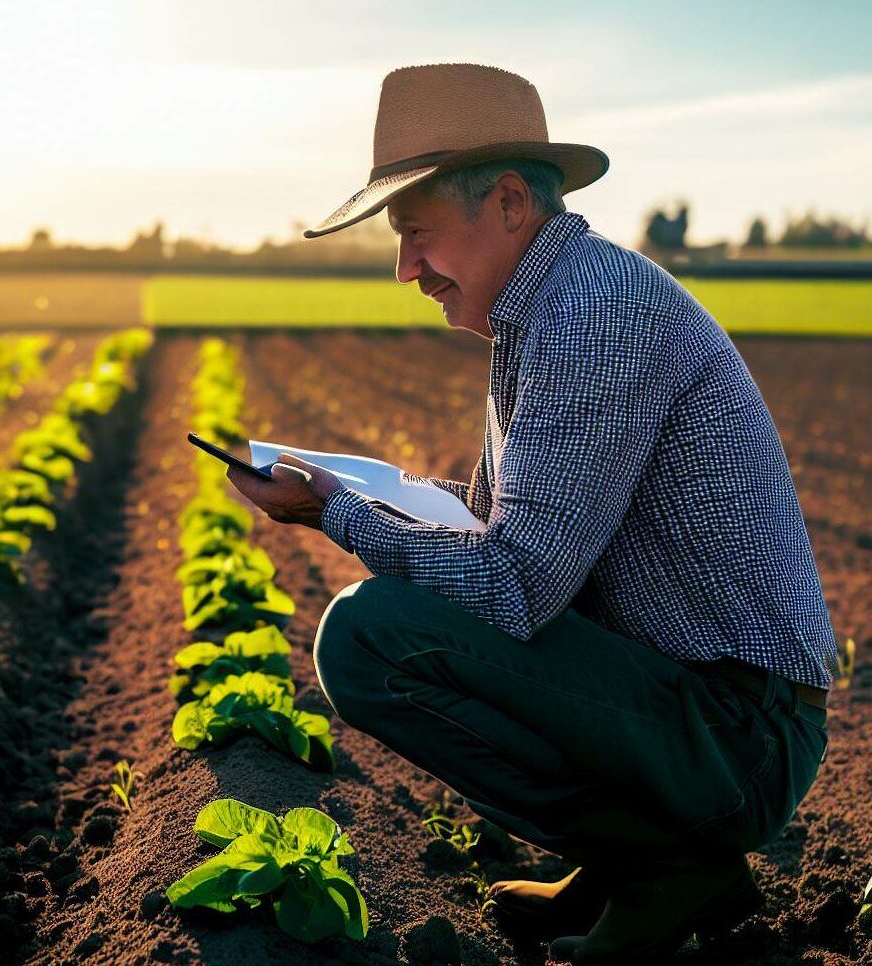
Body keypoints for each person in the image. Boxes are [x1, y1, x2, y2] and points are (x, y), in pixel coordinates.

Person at [225, 63, 837, 966]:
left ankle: (664, 863)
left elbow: (516, 588)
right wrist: (379, 493)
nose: (406, 270)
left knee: (369, 638)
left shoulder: (593, 314)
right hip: (694, 702)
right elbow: (506, 525)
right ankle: (630, 861)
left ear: (510, 201)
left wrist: (336, 515)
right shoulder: (548, 308)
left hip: (737, 734)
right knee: (395, 620)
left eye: (416, 233)